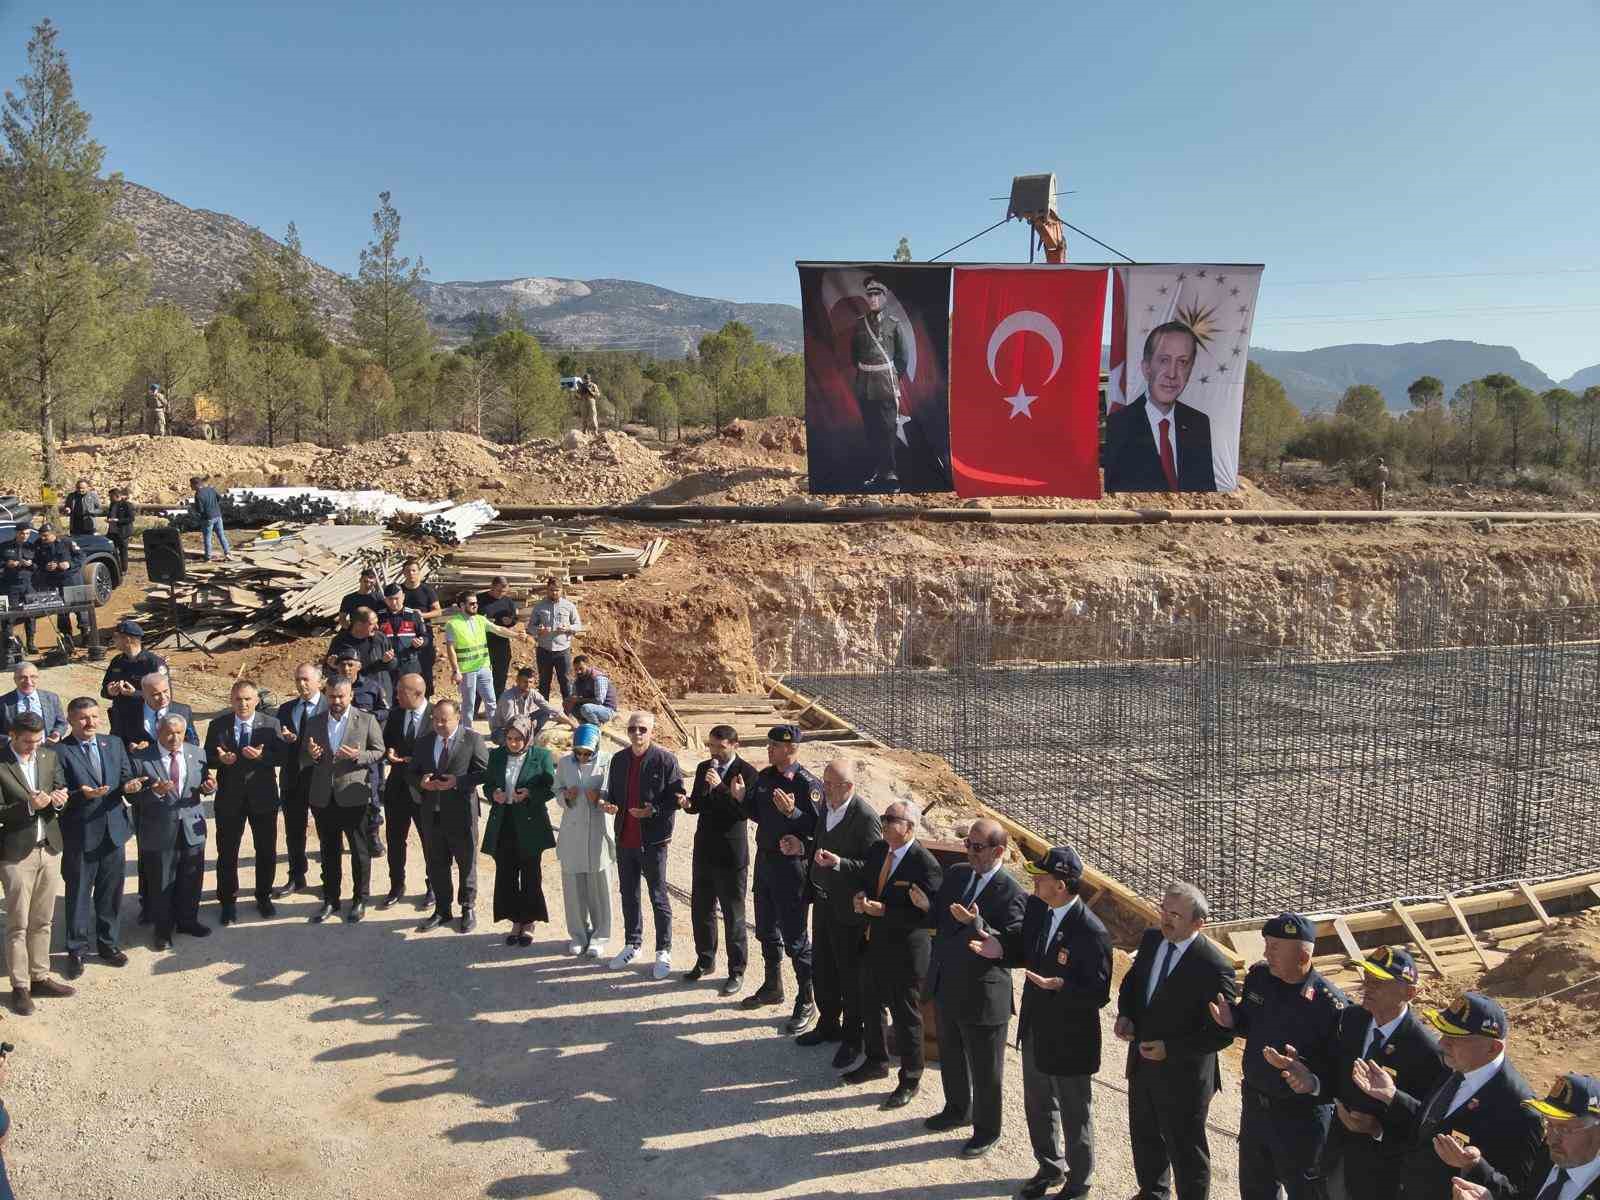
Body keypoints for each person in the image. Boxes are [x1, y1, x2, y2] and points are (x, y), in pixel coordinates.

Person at [969, 845, 1112, 1199]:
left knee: (1075, 1112)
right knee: (1038, 1103)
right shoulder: (1038, 909)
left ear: (1061, 885)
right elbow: (1025, 950)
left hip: (1070, 1038)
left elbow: (1098, 993)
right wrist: (1000, 949)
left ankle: (1079, 1183)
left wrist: (1062, 987)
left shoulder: (1091, 932)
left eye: (1041, 877)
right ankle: (1050, 1166)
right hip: (1035, 1027)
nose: (1033, 881)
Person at [1350, 991, 1545, 1200]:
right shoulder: (1455, 1068)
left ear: (1493, 1048)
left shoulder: (1520, 1110)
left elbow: (1517, 1193)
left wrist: (1475, 1166)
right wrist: (1392, 1096)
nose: (1442, 1043)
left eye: (1456, 1037)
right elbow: (1431, 1127)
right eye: (1444, 1034)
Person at [1209, 912, 1348, 1200]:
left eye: (1274, 947)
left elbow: (1339, 1069)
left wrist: (1308, 1074)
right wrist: (1232, 1020)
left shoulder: (1329, 1004)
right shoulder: (1260, 978)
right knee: (1255, 1188)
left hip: (1300, 1119)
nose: (1265, 953)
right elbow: (1251, 1021)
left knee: (1305, 1191)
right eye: (1266, 945)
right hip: (1256, 1108)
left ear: (1302, 954)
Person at [1115, 882, 1240, 1200]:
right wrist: (1126, 1014)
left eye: (1175, 915)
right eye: (1164, 910)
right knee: (1144, 1135)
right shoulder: (1154, 939)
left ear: (1199, 923)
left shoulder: (1214, 966)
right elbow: (1133, 983)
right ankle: (1153, 1192)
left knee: (1186, 1150)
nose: (1166, 919)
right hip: (1143, 1062)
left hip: (1184, 1075)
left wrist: (1170, 1049)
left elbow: (1221, 1033)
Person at [921, 818, 1028, 1160]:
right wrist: (924, 906)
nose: (968, 851)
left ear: (998, 851)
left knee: (986, 1071)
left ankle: (986, 1130)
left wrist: (976, 924)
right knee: (951, 1056)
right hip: (948, 984)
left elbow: (1014, 944)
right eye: (968, 843)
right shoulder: (958, 875)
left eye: (977, 847)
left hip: (983, 995)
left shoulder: (1011, 892)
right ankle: (956, 1109)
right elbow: (938, 916)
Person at [1323, 947, 1447, 1200]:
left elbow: (1428, 1121)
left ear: (1409, 992)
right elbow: (1336, 1073)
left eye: (1378, 982)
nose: (1367, 986)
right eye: (1366, 978)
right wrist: (1310, 1079)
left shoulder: (1426, 1051)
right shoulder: (1352, 1019)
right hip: (1338, 1154)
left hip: (1383, 1174)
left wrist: (1377, 1129)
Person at [845, 798, 942, 1108]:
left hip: (905, 953)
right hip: (873, 945)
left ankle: (910, 1078)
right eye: (884, 818)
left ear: (909, 827)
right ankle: (875, 1061)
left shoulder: (924, 864)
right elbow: (863, 882)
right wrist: (860, 897)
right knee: (869, 1005)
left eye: (892, 819)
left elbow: (928, 915)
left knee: (906, 1017)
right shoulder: (877, 851)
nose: (884, 823)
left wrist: (884, 910)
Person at [737, 724, 821, 1032]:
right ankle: (773, 986)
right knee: (765, 929)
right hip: (765, 861)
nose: (769, 749)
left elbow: (819, 829)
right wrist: (741, 798)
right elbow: (758, 814)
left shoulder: (807, 784)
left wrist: (793, 815)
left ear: (791, 749)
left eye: (775, 745)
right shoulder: (766, 776)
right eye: (769, 744)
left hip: (792, 868)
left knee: (795, 938)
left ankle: (807, 999)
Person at [805, 755, 884, 1067]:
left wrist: (839, 863)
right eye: (823, 782)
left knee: (849, 974)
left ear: (848, 786)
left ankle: (853, 1038)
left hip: (848, 910)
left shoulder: (865, 817)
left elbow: (873, 865)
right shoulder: (826, 806)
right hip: (823, 902)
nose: (823, 789)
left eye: (829, 784)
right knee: (822, 967)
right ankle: (828, 1025)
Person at [53, 697, 138, 977]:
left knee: (110, 893)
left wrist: (131, 785)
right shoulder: (59, 751)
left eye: (94, 716)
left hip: (114, 831)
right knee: (78, 894)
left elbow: (125, 777)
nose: (90, 722)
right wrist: (81, 795)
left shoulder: (112, 743)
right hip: (81, 833)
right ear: (70, 721)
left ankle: (108, 944)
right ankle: (76, 950)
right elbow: (58, 793)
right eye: (83, 718)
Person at [0, 712, 76, 1014]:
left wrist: (59, 799)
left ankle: (40, 976)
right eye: (28, 742)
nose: (34, 747)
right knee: (18, 923)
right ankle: (20, 986)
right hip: (16, 853)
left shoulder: (47, 756)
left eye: (38, 740)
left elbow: (62, 791)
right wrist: (28, 806)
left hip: (50, 847)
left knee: (43, 919)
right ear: (13, 736)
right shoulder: (1, 764)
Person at [602, 711, 684, 978]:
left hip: (653, 841)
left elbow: (676, 798)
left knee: (658, 896)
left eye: (642, 730)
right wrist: (609, 804)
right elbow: (613, 793)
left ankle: (663, 951)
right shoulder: (619, 760)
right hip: (625, 837)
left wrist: (653, 812)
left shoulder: (665, 760)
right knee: (629, 894)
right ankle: (632, 943)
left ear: (651, 732)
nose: (636, 734)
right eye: (632, 729)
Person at [680, 724, 760, 995]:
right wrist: (689, 804)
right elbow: (700, 805)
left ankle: (736, 970)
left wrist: (722, 787)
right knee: (701, 909)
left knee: (733, 914)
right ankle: (705, 960)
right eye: (712, 746)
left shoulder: (747, 773)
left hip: (730, 854)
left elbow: (743, 812)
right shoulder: (705, 768)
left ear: (735, 745)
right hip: (704, 849)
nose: (715, 752)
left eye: (720, 747)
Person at [300, 677, 385, 925]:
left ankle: (360, 899)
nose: (336, 701)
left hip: (353, 795)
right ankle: (330, 899)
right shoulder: (315, 722)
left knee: (359, 851)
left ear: (350, 696)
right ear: (326, 695)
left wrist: (359, 756)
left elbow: (379, 751)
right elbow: (304, 757)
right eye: (332, 696)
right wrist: (312, 755)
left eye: (341, 696)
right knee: (329, 851)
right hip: (323, 796)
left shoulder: (366, 720)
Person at [203, 679, 282, 925]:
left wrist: (262, 756)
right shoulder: (219, 725)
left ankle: (263, 897)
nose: (243, 703)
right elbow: (206, 757)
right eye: (238, 699)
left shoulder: (271, 724)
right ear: (231, 700)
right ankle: (227, 902)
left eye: (248, 699)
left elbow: (282, 756)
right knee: (228, 852)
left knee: (266, 851)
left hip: (263, 797)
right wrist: (221, 761)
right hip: (230, 799)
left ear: (257, 700)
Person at [1103, 321, 1217, 493]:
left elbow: (1205, 490)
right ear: (1146, 368)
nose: (1172, 373)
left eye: (1183, 362)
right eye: (1164, 360)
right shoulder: (1117, 426)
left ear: (1190, 370)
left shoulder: (1198, 424)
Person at [1451, 1073, 1600, 1200]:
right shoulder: (1550, 1153)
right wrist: (1478, 1170)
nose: (1551, 1139)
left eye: (1564, 1129)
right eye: (1549, 1124)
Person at [132, 713, 211, 950]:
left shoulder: (197, 753)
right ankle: (162, 930)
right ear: (158, 732)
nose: (174, 737)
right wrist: (155, 792)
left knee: (191, 877)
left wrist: (210, 787)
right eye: (169, 732)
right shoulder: (142, 758)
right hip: (159, 828)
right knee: (161, 881)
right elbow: (131, 796)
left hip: (191, 826)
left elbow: (202, 784)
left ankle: (188, 921)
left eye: (179, 732)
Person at [410, 699, 488, 933]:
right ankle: (443, 910)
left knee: (466, 862)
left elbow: (485, 772)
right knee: (436, 863)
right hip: (431, 813)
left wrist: (458, 782)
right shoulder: (424, 742)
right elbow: (411, 772)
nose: (439, 724)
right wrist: (421, 782)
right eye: (435, 719)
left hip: (461, 813)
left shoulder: (472, 740)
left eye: (444, 720)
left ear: (458, 718)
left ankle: (467, 907)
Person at [481, 716, 556, 947]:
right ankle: (515, 920)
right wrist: (494, 793)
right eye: (510, 739)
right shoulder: (497, 755)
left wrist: (530, 794)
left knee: (531, 873)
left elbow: (550, 788)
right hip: (504, 822)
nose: (513, 743)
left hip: (530, 824)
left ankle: (529, 921)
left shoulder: (541, 756)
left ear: (527, 737)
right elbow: (487, 784)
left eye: (518, 739)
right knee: (506, 873)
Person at [555, 723, 613, 957]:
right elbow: (556, 789)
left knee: (599, 887)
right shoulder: (564, 763)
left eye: (587, 753)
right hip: (572, 831)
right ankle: (578, 934)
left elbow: (612, 794)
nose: (582, 757)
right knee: (573, 886)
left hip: (598, 830)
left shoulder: (608, 761)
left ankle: (600, 936)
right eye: (578, 752)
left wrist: (598, 798)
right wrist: (565, 797)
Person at [378, 672, 432, 911]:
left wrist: (418, 762)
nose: (396, 696)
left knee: (430, 843)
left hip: (426, 792)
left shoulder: (437, 716)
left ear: (418, 694)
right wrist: (389, 752)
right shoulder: (396, 714)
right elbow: (385, 741)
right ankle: (396, 886)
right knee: (395, 839)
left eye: (401, 692)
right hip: (397, 789)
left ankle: (434, 887)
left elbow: (447, 751)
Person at [852, 275, 910, 491]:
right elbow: (854, 355)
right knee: (871, 429)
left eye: (877, 294)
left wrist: (893, 378)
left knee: (887, 429)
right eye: (870, 295)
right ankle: (877, 472)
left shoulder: (894, 325)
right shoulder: (859, 323)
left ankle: (891, 473)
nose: (873, 298)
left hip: (886, 384)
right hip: (864, 385)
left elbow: (902, 358)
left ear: (884, 298)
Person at [272, 662, 324, 897]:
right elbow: (274, 745)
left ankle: (329, 879)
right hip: (292, 778)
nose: (301, 684)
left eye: (306, 679)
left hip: (321, 778)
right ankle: (296, 876)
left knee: (327, 831)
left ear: (319, 681)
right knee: (294, 830)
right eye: (297, 680)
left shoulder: (330, 706)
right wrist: (285, 740)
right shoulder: (285, 709)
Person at [333, 651, 390, 856]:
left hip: (366, 751)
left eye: (350, 664)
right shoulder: (332, 688)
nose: (346, 669)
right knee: (335, 793)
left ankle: (373, 834)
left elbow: (385, 710)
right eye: (342, 665)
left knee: (372, 793)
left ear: (358, 665)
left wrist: (367, 717)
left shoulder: (372, 687)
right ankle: (336, 837)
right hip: (338, 752)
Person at [444, 591, 520, 728]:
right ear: (462, 605)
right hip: (467, 670)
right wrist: (456, 670)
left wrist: (516, 635)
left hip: (484, 667)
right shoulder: (453, 624)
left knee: (491, 702)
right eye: (472, 603)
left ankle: (495, 732)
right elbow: (450, 649)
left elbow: (498, 629)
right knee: (468, 704)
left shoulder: (480, 619)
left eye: (476, 603)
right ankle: (467, 733)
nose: (475, 606)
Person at [98, 620, 166, 746]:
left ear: (127, 639)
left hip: (143, 725)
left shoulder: (153, 663)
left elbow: (165, 697)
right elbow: (103, 691)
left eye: (116, 637)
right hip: (119, 725)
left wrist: (135, 694)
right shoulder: (117, 662)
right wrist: (109, 691)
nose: (114, 640)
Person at [31, 523, 87, 653]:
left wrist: (69, 564)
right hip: (54, 581)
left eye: (45, 536)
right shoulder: (38, 545)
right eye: (41, 536)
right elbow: (35, 562)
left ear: (53, 534)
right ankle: (67, 639)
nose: (43, 538)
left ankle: (86, 635)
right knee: (61, 611)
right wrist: (44, 567)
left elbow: (81, 556)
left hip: (72, 579)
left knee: (81, 608)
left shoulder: (67, 542)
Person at [528, 576, 582, 706]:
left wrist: (567, 627)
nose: (554, 593)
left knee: (566, 682)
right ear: (547, 590)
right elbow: (530, 627)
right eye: (552, 590)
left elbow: (578, 625)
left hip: (562, 651)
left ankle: (568, 712)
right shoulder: (539, 606)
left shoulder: (569, 606)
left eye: (557, 590)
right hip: (544, 650)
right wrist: (538, 630)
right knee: (544, 683)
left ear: (562, 590)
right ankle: (543, 712)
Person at [325, 608, 394, 708]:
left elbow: (393, 664)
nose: (377, 627)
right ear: (358, 625)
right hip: (353, 696)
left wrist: (388, 661)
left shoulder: (380, 638)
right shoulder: (340, 641)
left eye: (377, 623)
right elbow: (328, 671)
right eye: (372, 624)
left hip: (380, 693)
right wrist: (332, 667)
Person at [118, 672, 196, 754]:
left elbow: (193, 741)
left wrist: (177, 747)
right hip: (140, 764)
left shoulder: (183, 711)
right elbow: (116, 741)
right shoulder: (127, 712)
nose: (163, 697)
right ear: (144, 695)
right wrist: (131, 748)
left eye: (165, 691)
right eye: (156, 694)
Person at [400, 558, 443, 698]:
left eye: (414, 571)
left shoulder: (427, 590)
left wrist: (421, 615)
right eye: (408, 571)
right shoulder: (399, 591)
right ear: (403, 573)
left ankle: (426, 699)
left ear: (419, 572)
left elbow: (438, 611)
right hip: (404, 633)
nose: (411, 573)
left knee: (426, 667)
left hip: (424, 632)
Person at [492, 665, 566, 746]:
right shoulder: (508, 697)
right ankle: (524, 740)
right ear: (517, 681)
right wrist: (526, 728)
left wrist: (571, 724)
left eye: (530, 682)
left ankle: (526, 738)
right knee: (506, 739)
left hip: (522, 724)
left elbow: (551, 709)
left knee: (545, 712)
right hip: (503, 730)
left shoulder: (532, 693)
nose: (527, 685)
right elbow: (510, 722)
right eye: (524, 682)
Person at [376, 584, 429, 694]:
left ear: (403, 597)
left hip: (409, 664)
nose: (394, 602)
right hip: (387, 665)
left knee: (410, 696)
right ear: (385, 599)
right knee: (389, 698)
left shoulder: (414, 615)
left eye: (397, 598)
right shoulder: (379, 617)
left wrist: (421, 642)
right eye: (390, 599)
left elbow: (425, 636)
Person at [477, 576, 520, 701]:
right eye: (499, 591)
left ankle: (496, 707)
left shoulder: (508, 602)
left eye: (504, 591)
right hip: (482, 643)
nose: (501, 594)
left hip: (501, 643)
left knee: (500, 677)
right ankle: (474, 709)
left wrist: (510, 621)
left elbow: (514, 620)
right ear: (492, 587)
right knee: (480, 676)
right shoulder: (480, 599)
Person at [1, 661, 67, 741]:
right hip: (16, 751)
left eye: (33, 677)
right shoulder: (3, 702)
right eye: (23, 677)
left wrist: (57, 733)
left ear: (38, 678)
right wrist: (12, 741)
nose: (28, 682)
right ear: (15, 679)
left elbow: (62, 723)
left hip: (47, 749)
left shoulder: (51, 698)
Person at [0, 531, 38, 662]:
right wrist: (7, 564)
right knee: (8, 616)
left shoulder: (32, 547)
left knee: (31, 614)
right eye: (22, 533)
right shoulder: (4, 546)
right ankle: (8, 644)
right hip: (10, 586)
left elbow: (39, 565)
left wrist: (31, 565)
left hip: (28, 585)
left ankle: (31, 643)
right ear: (16, 533)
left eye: (27, 533)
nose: (25, 535)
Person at [190, 474, 231, 561]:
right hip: (217, 515)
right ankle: (227, 553)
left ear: (196, 485)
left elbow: (200, 510)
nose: (191, 487)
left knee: (207, 538)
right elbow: (219, 498)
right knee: (221, 535)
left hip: (208, 518)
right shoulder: (211, 489)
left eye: (191, 485)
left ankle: (208, 557)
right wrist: (214, 505)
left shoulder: (198, 495)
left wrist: (194, 509)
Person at [568, 655, 618, 726]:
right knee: (571, 706)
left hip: (607, 709)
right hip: (592, 707)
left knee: (586, 708)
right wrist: (570, 700)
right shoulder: (579, 679)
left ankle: (596, 726)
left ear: (588, 665)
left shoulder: (597, 678)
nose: (578, 671)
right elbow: (574, 696)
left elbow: (599, 701)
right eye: (576, 669)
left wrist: (579, 700)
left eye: (581, 668)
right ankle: (585, 726)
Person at [106, 486, 135, 572]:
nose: (109, 498)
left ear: (117, 496)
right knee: (111, 550)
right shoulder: (112, 504)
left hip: (123, 532)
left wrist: (118, 520)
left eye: (111, 497)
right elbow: (110, 514)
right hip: (112, 532)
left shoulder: (127, 505)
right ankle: (115, 568)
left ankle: (123, 570)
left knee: (123, 551)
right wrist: (109, 519)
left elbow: (131, 518)